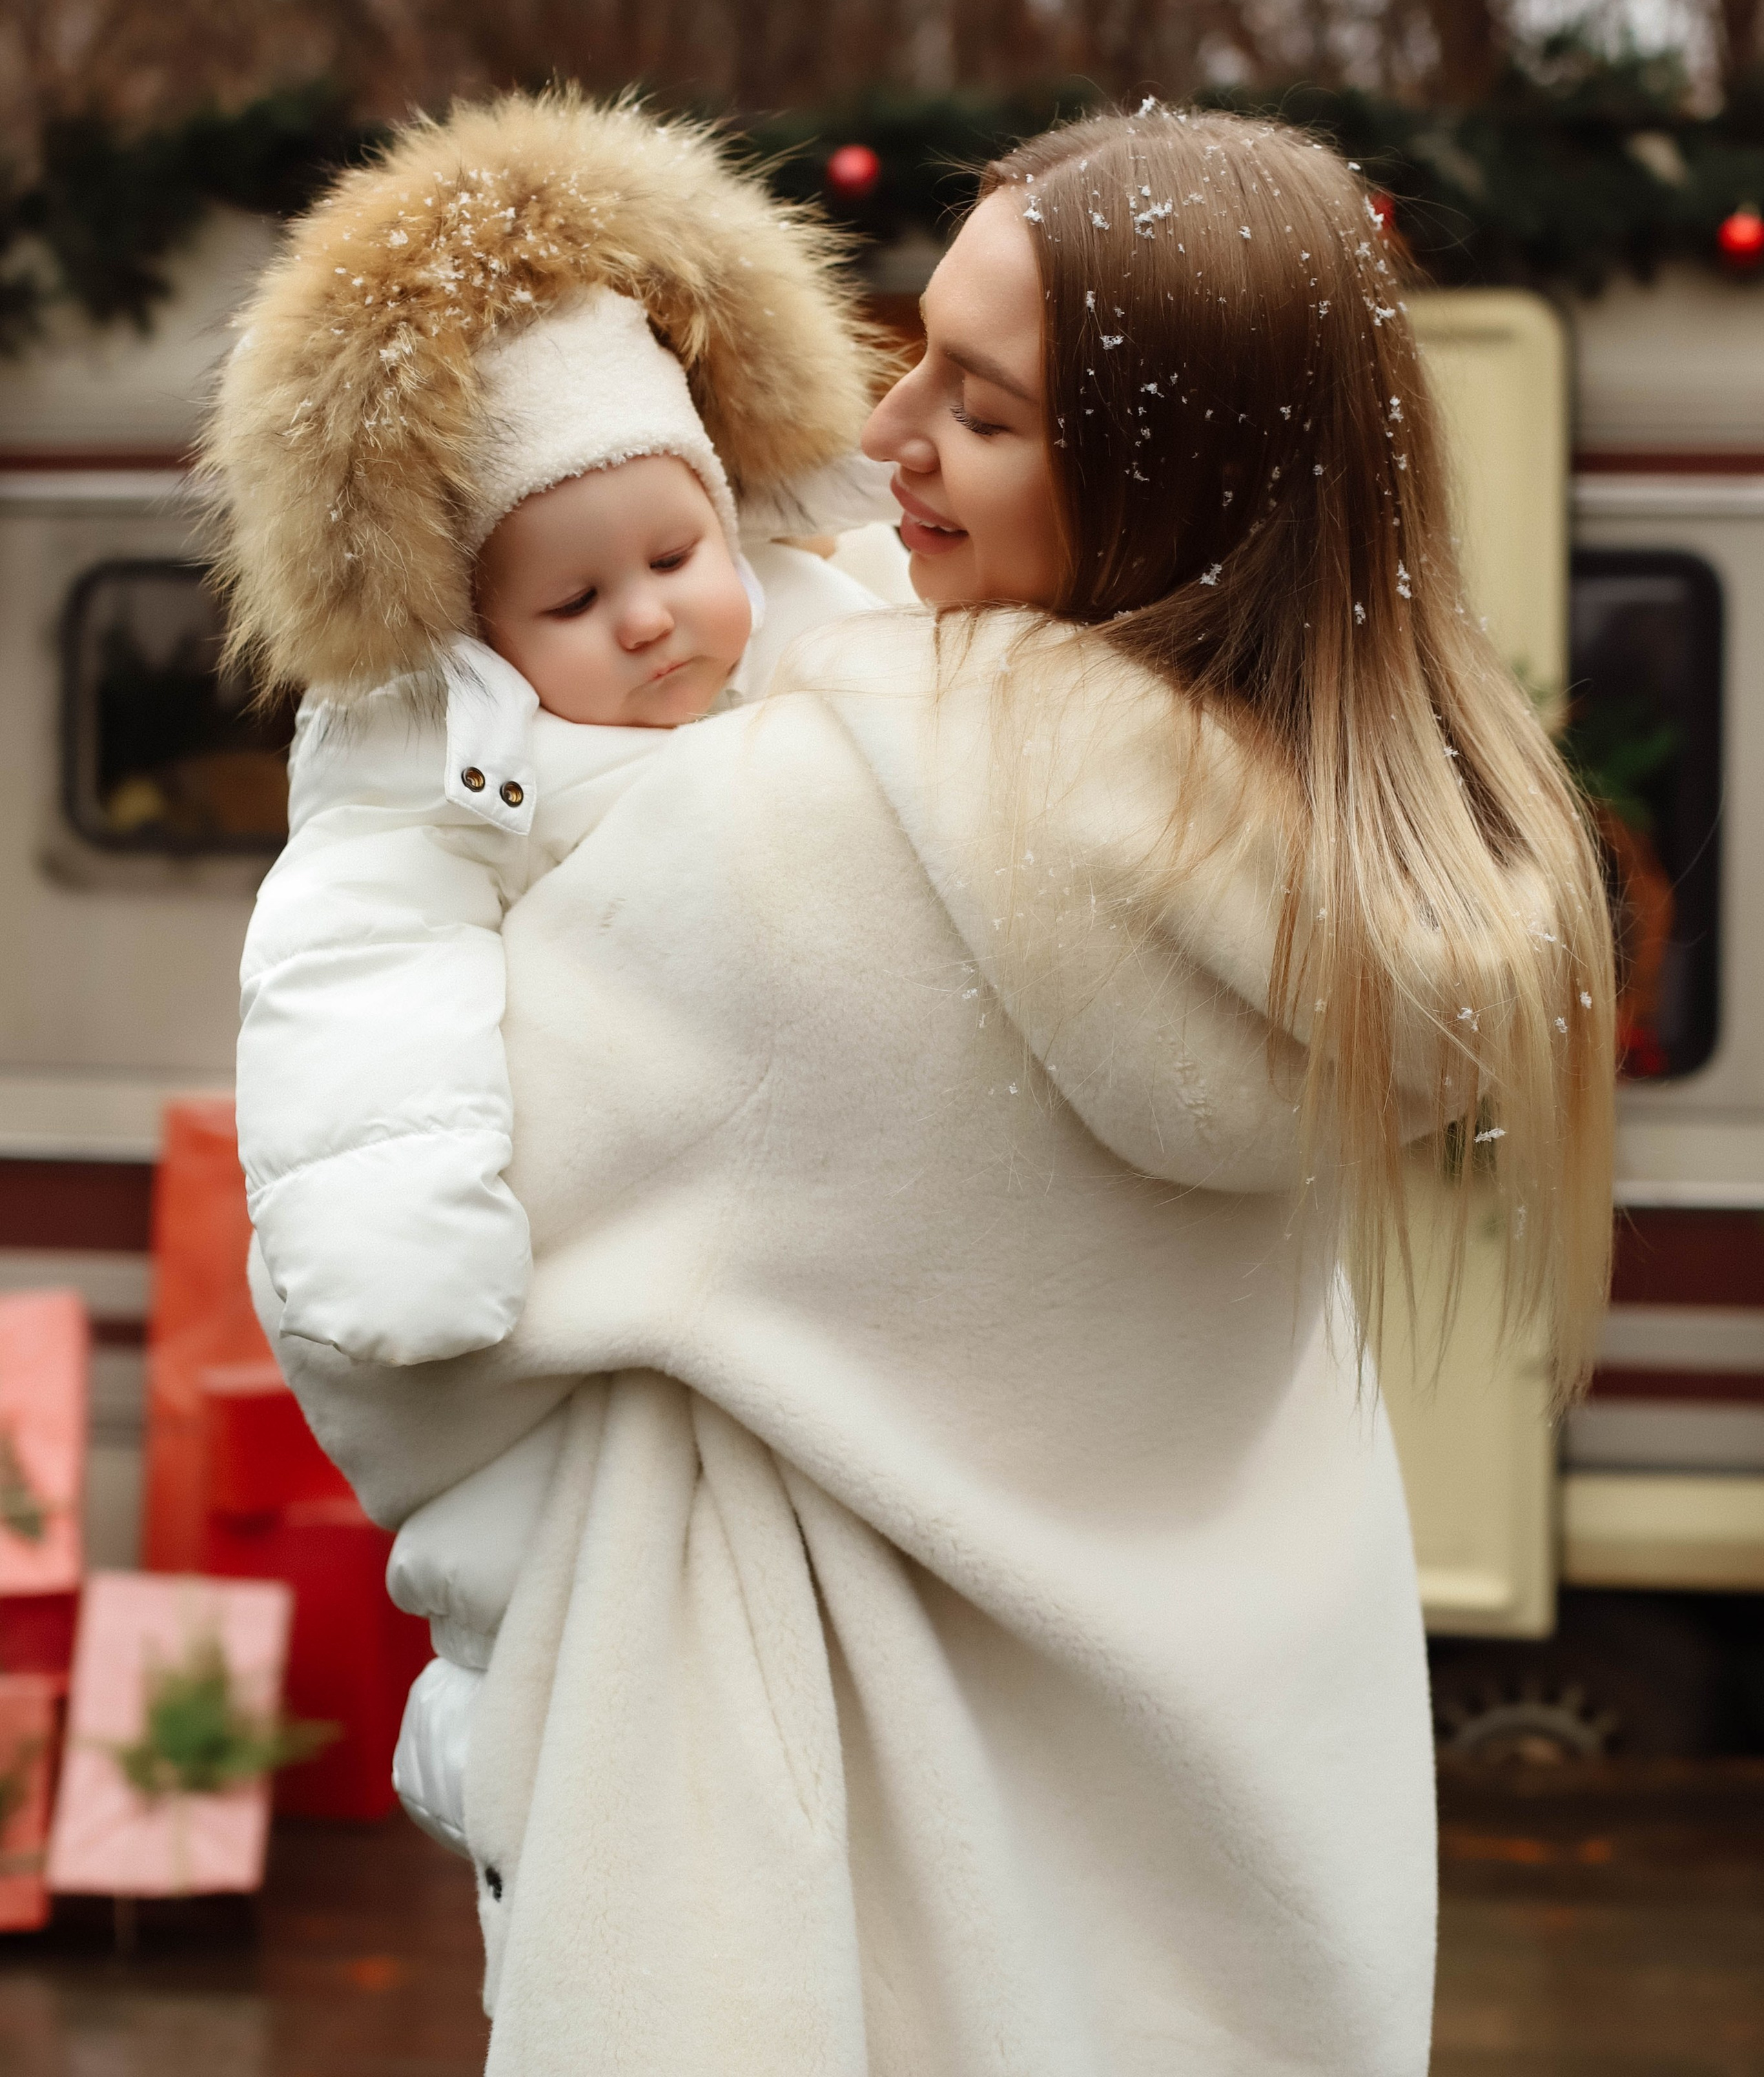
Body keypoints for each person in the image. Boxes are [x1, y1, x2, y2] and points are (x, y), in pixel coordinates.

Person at [258, 104, 1615, 2077]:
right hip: (1232, 1901)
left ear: (1162, 487)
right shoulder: (1332, 876)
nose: (881, 435)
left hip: (830, 1935)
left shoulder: (799, 842)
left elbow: (389, 1330)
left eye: (977, 408)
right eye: (915, 352)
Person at [206, 86, 905, 1371]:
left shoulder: (834, 614)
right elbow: (361, 966)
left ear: (728, 514)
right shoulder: (442, 762)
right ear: (481, 636)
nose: (646, 618)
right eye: (574, 600)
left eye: (676, 553)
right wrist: (397, 1227)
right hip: (647, 1237)